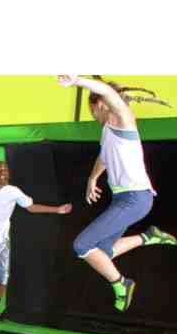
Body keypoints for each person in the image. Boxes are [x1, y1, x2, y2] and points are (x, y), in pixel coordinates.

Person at [57, 75, 176, 312]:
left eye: (92, 111)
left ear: (100, 104)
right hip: (124, 199)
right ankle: (149, 237)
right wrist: (93, 178)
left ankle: (122, 284)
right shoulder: (108, 131)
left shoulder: (123, 119)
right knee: (102, 253)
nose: (93, 116)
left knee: (82, 245)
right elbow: (104, 157)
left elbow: (108, 93)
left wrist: (77, 80)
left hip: (135, 199)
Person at [0, 161, 72, 325]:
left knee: (3, 276)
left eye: (6, 169)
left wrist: (57, 209)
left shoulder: (14, 192)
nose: (3, 172)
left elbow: (31, 207)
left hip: (2, 241)